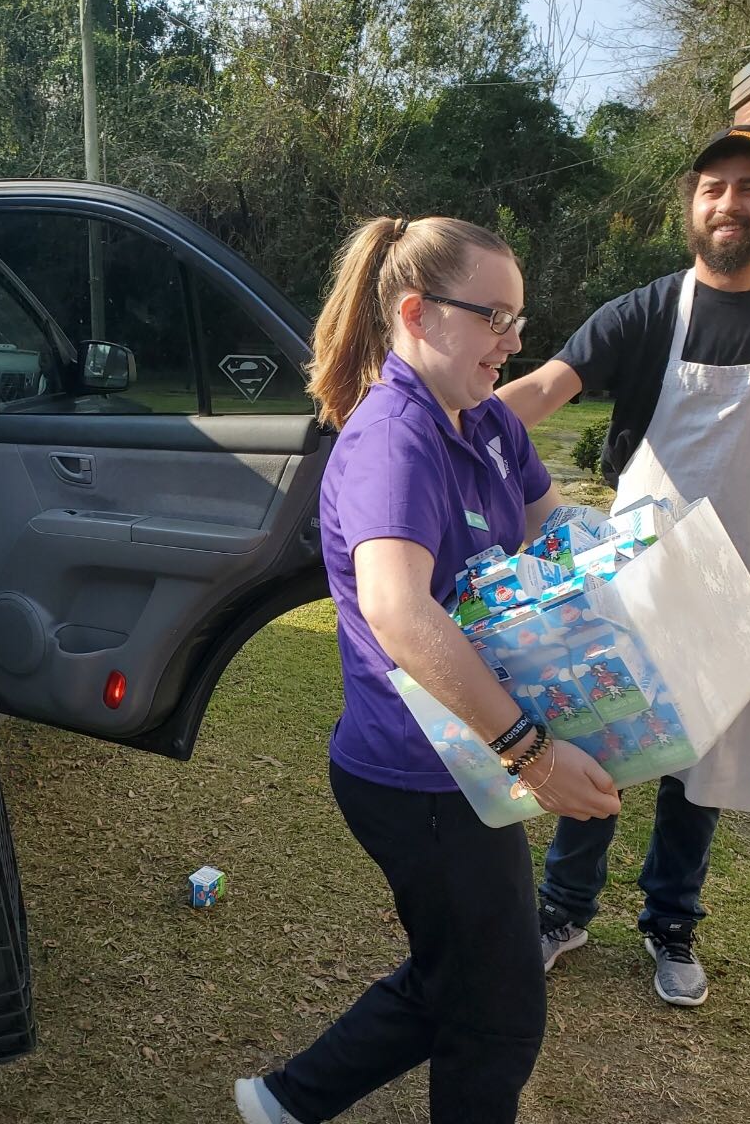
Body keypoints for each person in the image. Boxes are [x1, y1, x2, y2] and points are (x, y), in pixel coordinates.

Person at [233, 216, 622, 1124]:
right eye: (496, 317)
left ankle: (287, 1102)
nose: (515, 341)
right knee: (500, 1014)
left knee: (464, 980)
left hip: (468, 760)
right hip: (418, 776)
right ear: (417, 312)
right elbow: (398, 610)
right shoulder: (391, 440)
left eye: (520, 319)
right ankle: (286, 1100)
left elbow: (551, 539)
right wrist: (533, 752)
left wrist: (634, 577)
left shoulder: (486, 424)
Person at [498, 125, 750, 1008]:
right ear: (691, 204)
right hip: (636, 578)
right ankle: (563, 909)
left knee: (707, 763)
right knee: (604, 744)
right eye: (713, 187)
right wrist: (443, 419)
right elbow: (544, 388)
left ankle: (671, 922)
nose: (728, 203)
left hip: (744, 584)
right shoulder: (646, 311)